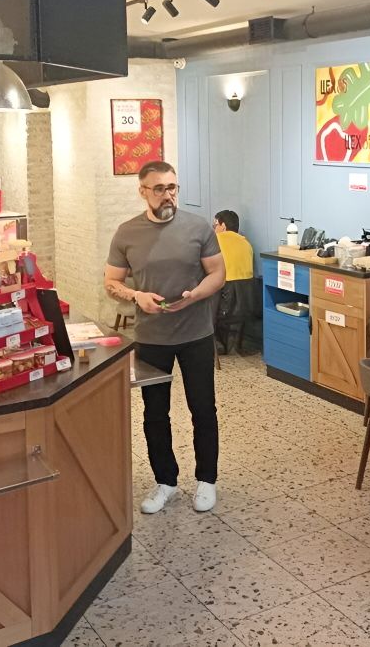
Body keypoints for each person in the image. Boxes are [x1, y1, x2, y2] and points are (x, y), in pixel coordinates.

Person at [104, 161, 226, 514]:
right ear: (142, 191)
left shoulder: (198, 227)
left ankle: (207, 480)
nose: (167, 194)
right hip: (151, 337)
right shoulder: (127, 233)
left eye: (172, 187)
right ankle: (166, 482)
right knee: (155, 413)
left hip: (196, 334)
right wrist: (136, 296)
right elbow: (111, 281)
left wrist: (197, 294)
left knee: (203, 409)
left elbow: (218, 273)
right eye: (158, 188)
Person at [212, 210, 255, 354]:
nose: (214, 229)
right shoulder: (246, 244)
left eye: (215, 225)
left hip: (226, 298)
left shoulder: (216, 240)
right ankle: (234, 343)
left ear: (223, 226)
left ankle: (215, 343)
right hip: (247, 299)